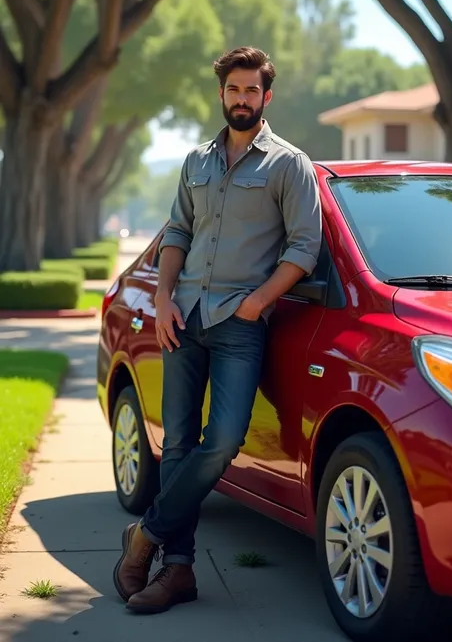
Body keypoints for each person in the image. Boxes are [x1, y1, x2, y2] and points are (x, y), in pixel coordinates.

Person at [113, 46, 322, 615]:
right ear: (223, 94)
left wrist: (258, 302)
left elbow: (304, 247)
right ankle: (177, 572)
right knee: (176, 445)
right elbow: (178, 232)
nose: (242, 99)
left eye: (252, 90)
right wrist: (161, 298)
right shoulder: (195, 161)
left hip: (239, 323)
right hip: (184, 317)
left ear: (266, 96)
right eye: (234, 90)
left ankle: (145, 538)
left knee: (222, 440)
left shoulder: (288, 164)